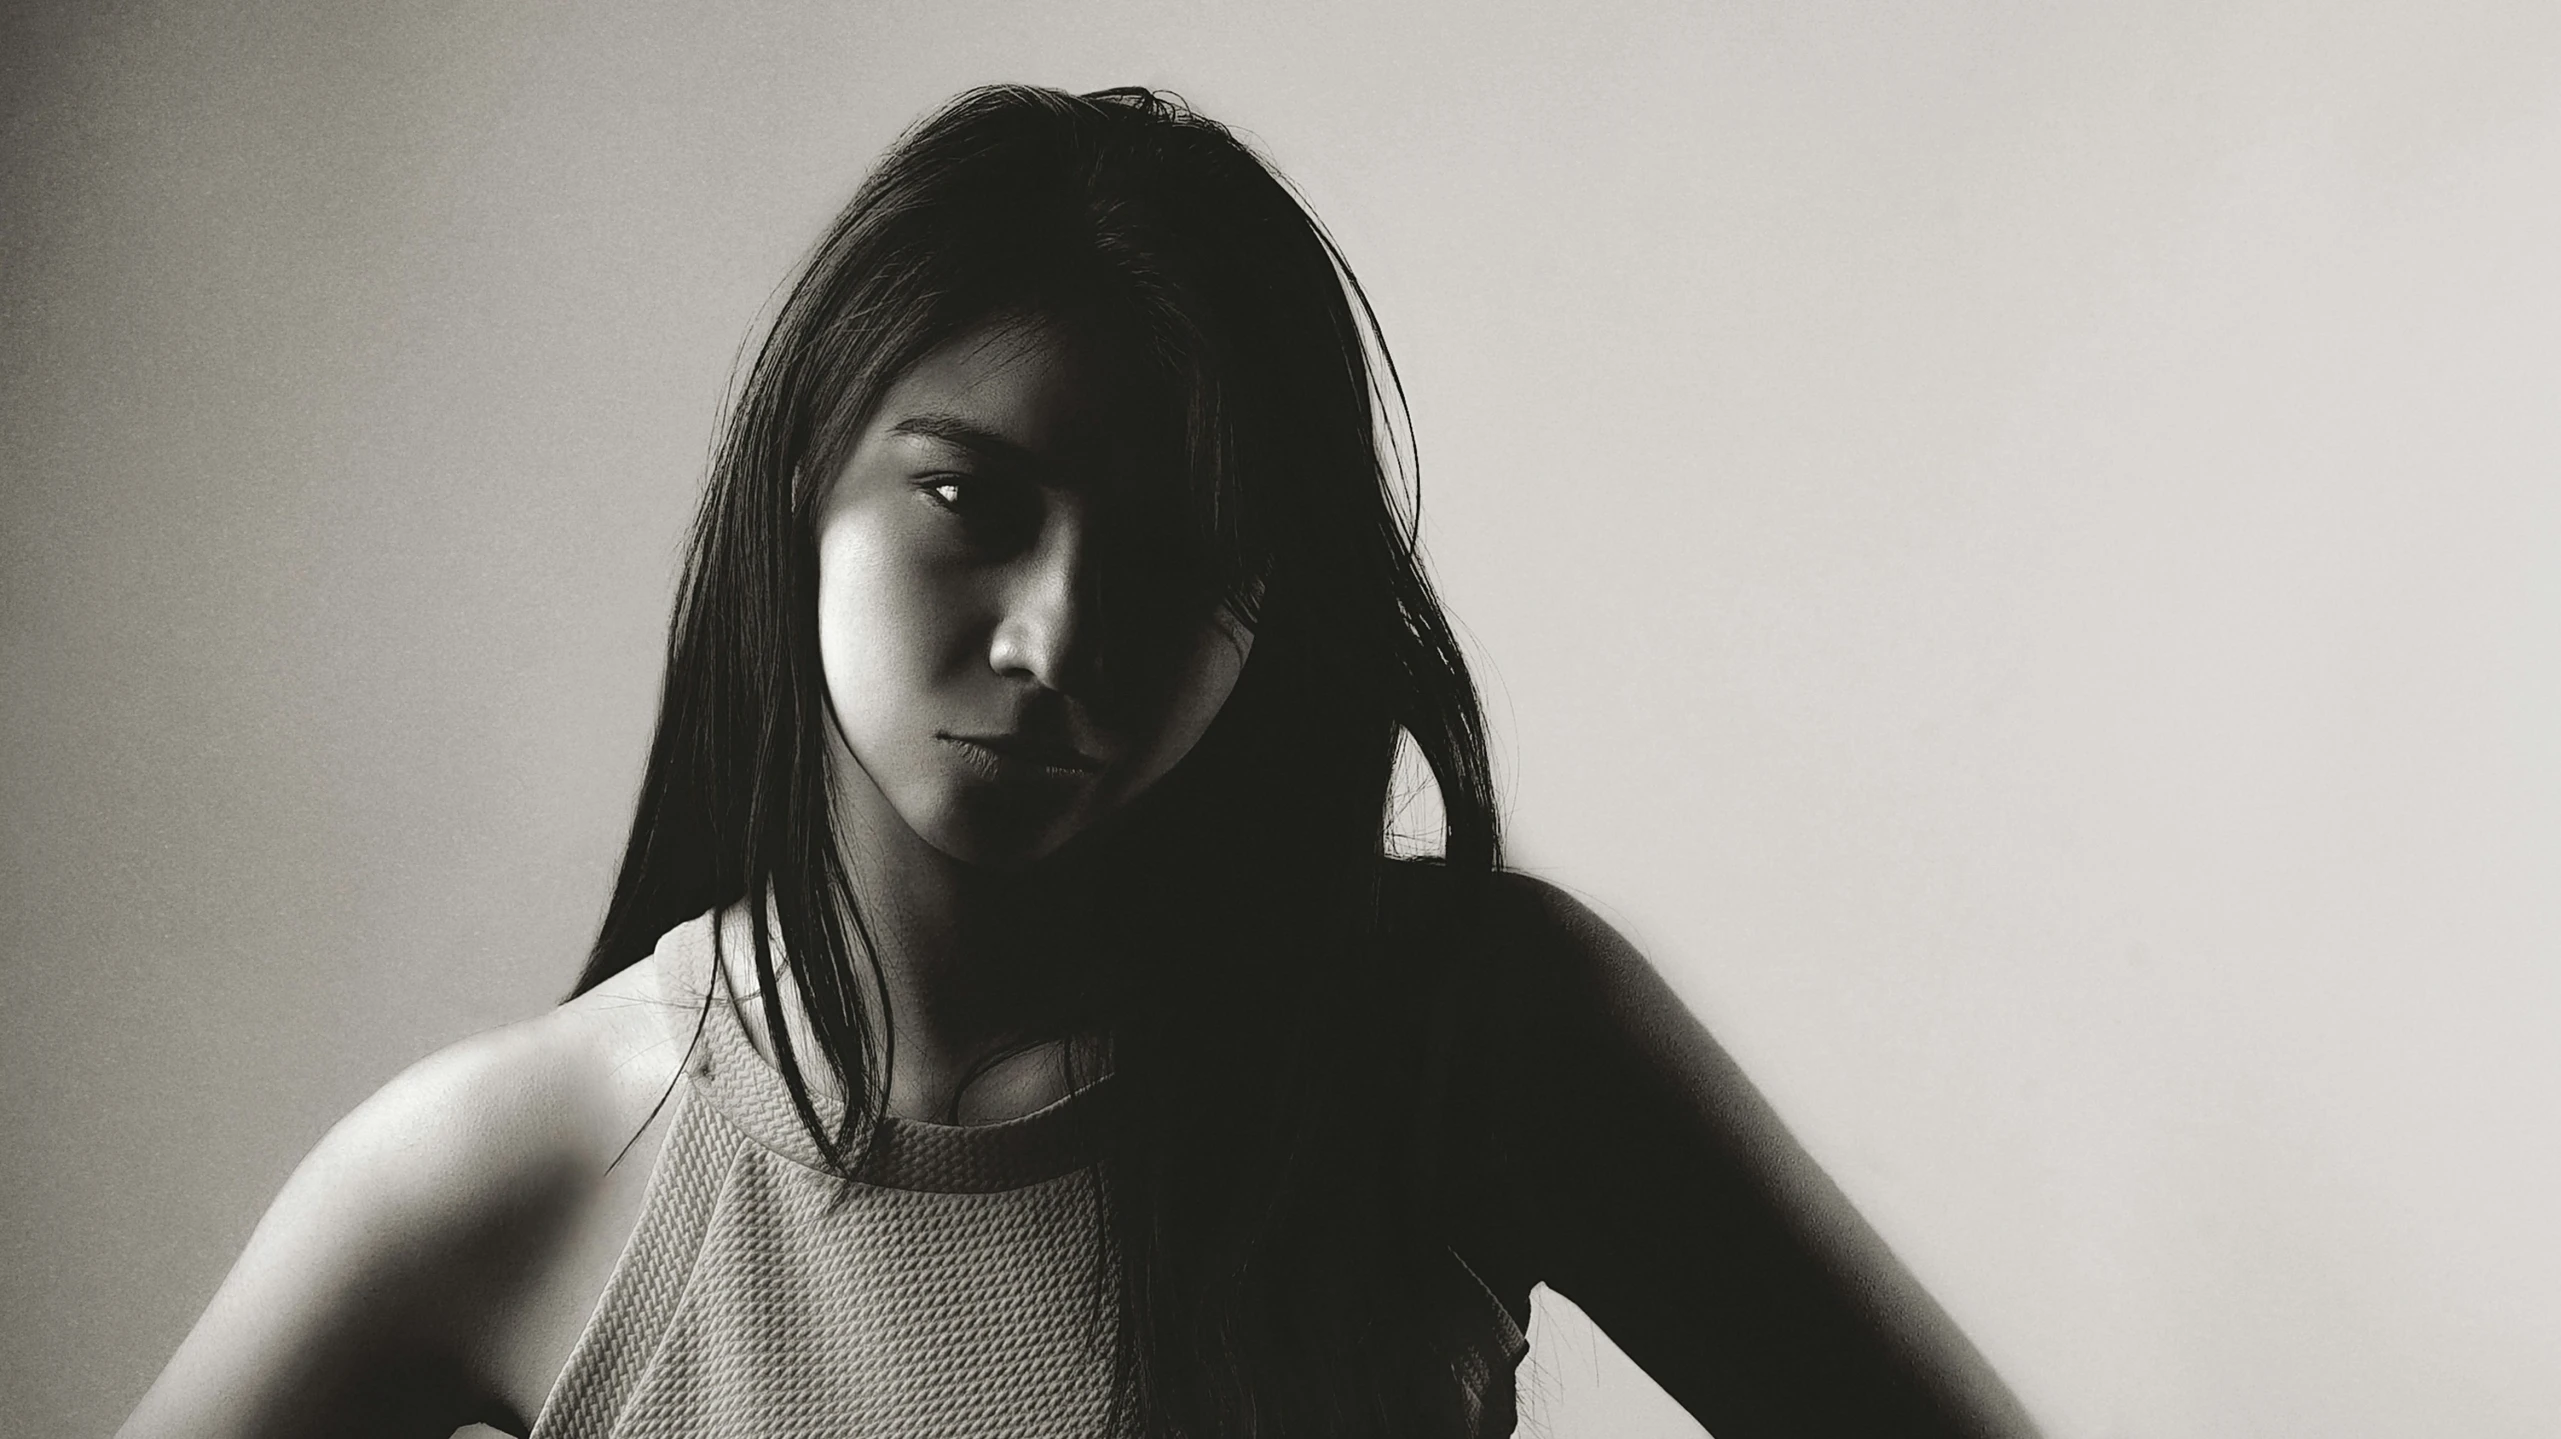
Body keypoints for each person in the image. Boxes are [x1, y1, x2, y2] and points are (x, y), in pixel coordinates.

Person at [119, 85, 2041, 1439]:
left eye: (1179, 558)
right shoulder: (521, 1171)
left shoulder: (1464, 1040)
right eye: (968, 496)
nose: (1052, 641)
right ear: (805, 485)